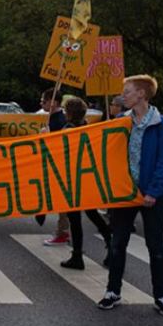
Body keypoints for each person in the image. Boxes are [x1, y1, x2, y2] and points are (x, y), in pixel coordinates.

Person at [98, 74, 163, 317]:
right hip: (124, 193)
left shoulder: (161, 124)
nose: (123, 96)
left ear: (142, 94)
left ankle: (161, 296)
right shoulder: (120, 121)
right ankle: (113, 291)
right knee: (118, 243)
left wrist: (154, 191)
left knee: (156, 246)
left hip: (152, 195)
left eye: (128, 91)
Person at [58, 97, 113, 270]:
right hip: (86, 178)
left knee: (75, 220)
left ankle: (77, 255)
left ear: (69, 113)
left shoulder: (68, 130)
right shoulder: (88, 127)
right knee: (92, 213)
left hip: (72, 179)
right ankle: (110, 243)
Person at [39, 88, 70, 246]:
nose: (41, 103)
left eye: (44, 100)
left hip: (60, 166)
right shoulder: (54, 118)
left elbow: (59, 144)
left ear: (54, 102)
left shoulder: (59, 120)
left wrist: (47, 136)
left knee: (63, 201)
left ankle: (62, 232)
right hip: (56, 165)